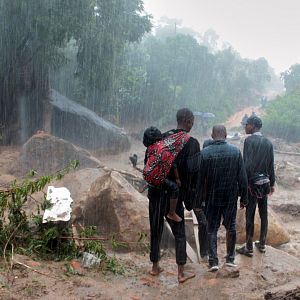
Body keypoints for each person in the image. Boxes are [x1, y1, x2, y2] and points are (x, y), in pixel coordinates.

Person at [147, 108, 199, 283]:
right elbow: (193, 174)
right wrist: (191, 200)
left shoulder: (163, 137)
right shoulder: (191, 143)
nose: (192, 124)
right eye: (192, 121)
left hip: (155, 191)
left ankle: (155, 267)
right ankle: (180, 273)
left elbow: (153, 160)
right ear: (188, 121)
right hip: (173, 197)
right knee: (179, 233)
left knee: (156, 229)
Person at [196, 125, 248, 271]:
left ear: (212, 135)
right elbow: (242, 178)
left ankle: (213, 262)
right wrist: (244, 198)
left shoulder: (204, 154)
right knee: (231, 227)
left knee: (212, 229)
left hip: (212, 198)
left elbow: (200, 181)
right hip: (230, 197)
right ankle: (230, 259)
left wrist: (198, 202)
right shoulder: (235, 152)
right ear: (226, 135)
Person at [237, 116, 275, 256]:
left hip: (252, 184)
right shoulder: (268, 143)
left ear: (253, 126)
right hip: (265, 183)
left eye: (246, 125)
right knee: (263, 213)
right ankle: (262, 243)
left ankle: (248, 246)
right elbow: (271, 165)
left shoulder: (249, 141)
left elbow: (247, 165)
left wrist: (243, 185)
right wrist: (272, 183)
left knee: (250, 214)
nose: (245, 127)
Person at [139, 126, 183, 222]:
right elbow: (173, 164)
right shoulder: (164, 148)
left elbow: (146, 164)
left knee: (155, 225)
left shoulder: (149, 149)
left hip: (150, 181)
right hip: (160, 182)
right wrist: (177, 178)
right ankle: (172, 213)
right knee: (175, 188)